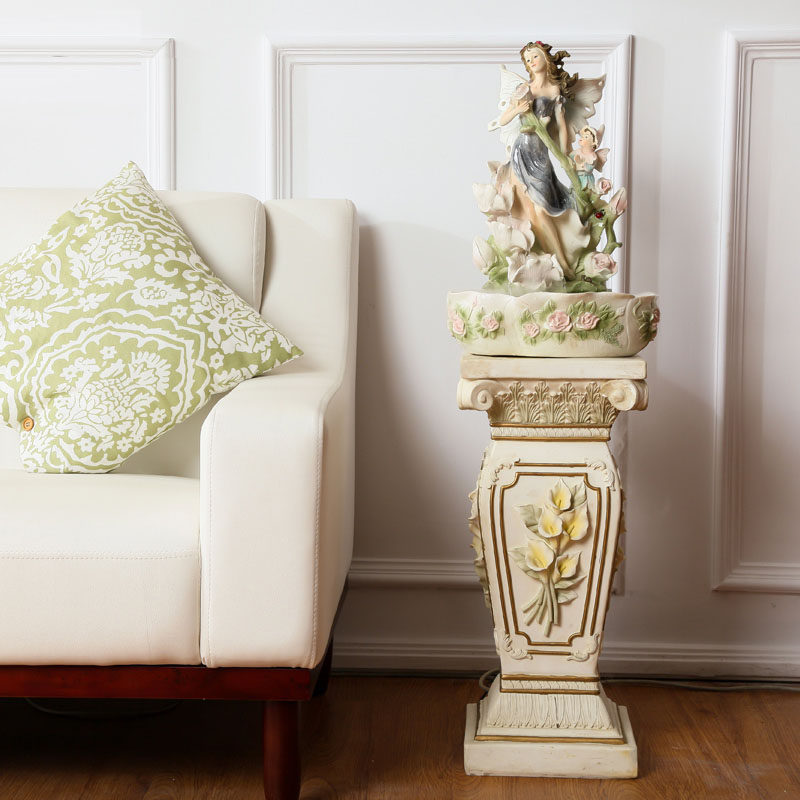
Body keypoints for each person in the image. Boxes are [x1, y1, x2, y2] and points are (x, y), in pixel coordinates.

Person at [496, 42, 590, 275]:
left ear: (545, 59)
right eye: (527, 60)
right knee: (528, 211)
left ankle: (563, 260)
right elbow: (503, 120)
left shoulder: (555, 90)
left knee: (543, 209)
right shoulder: (523, 89)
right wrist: (518, 110)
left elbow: (562, 125)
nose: (531, 62)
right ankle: (546, 261)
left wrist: (566, 153)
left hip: (541, 154)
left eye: (534, 57)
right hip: (521, 152)